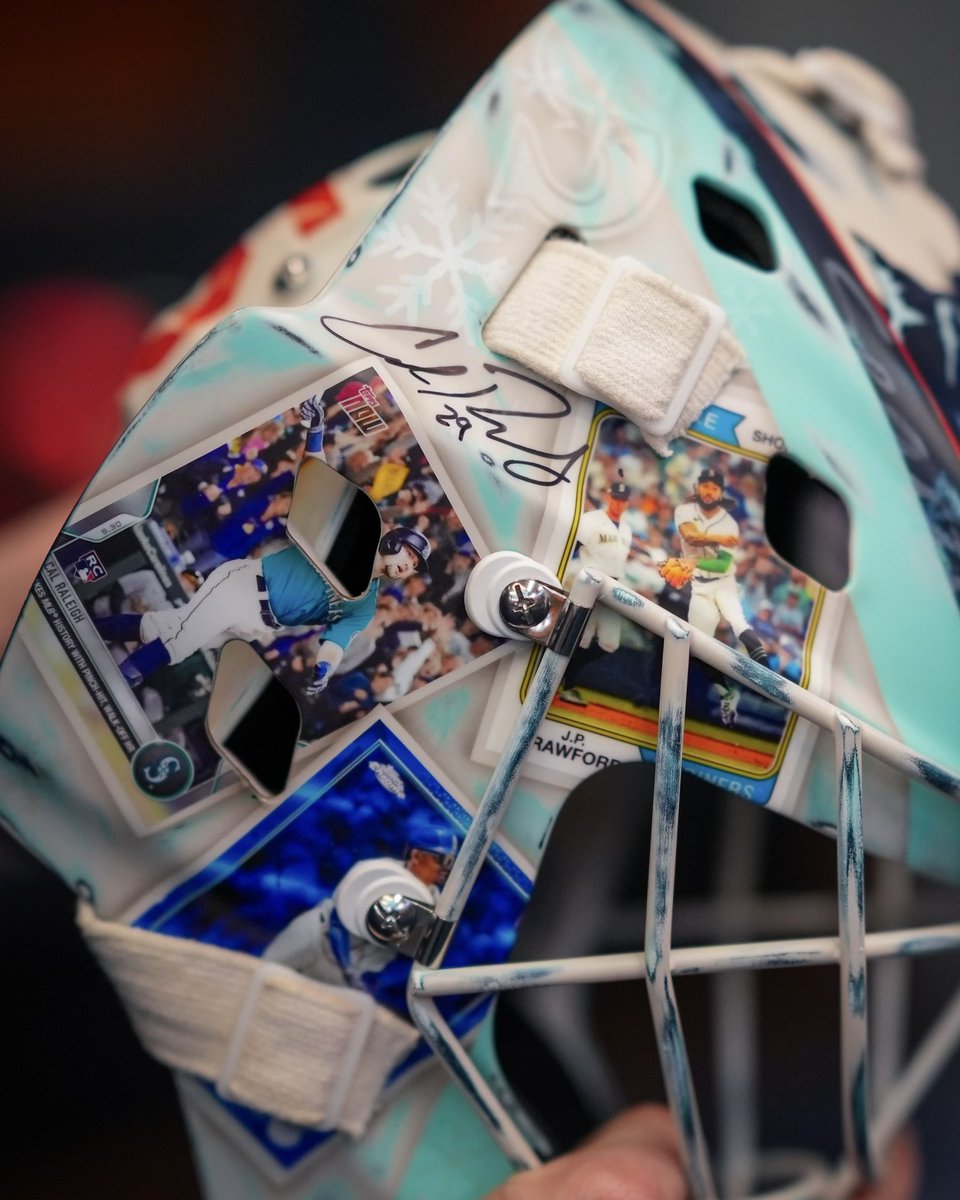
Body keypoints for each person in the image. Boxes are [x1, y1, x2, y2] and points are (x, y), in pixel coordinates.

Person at [93, 398, 431, 693]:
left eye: (415, 565)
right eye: (410, 554)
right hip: (245, 586)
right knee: (178, 644)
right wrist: (316, 431)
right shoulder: (348, 537)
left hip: (258, 625)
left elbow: (338, 640)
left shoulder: (365, 604)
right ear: (394, 541)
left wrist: (325, 667)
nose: (409, 565)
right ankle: (115, 682)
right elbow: (317, 481)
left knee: (160, 629)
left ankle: (92, 633)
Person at [262, 821, 458, 990]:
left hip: (347, 971)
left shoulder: (437, 906)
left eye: (450, 861)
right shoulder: (378, 871)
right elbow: (336, 923)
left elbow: (417, 956)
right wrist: (348, 970)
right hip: (315, 937)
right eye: (441, 859)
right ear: (417, 856)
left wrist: (370, 979)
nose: (446, 868)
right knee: (256, 974)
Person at [672, 468, 769, 726]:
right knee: (698, 647)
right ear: (697, 487)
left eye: (714, 487)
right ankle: (726, 694)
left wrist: (696, 563)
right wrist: (715, 539)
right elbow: (690, 535)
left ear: (721, 492)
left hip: (723, 583)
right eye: (705, 485)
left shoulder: (730, 523)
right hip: (700, 589)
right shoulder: (684, 511)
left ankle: (768, 677)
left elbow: (723, 565)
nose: (709, 490)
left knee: (738, 623)